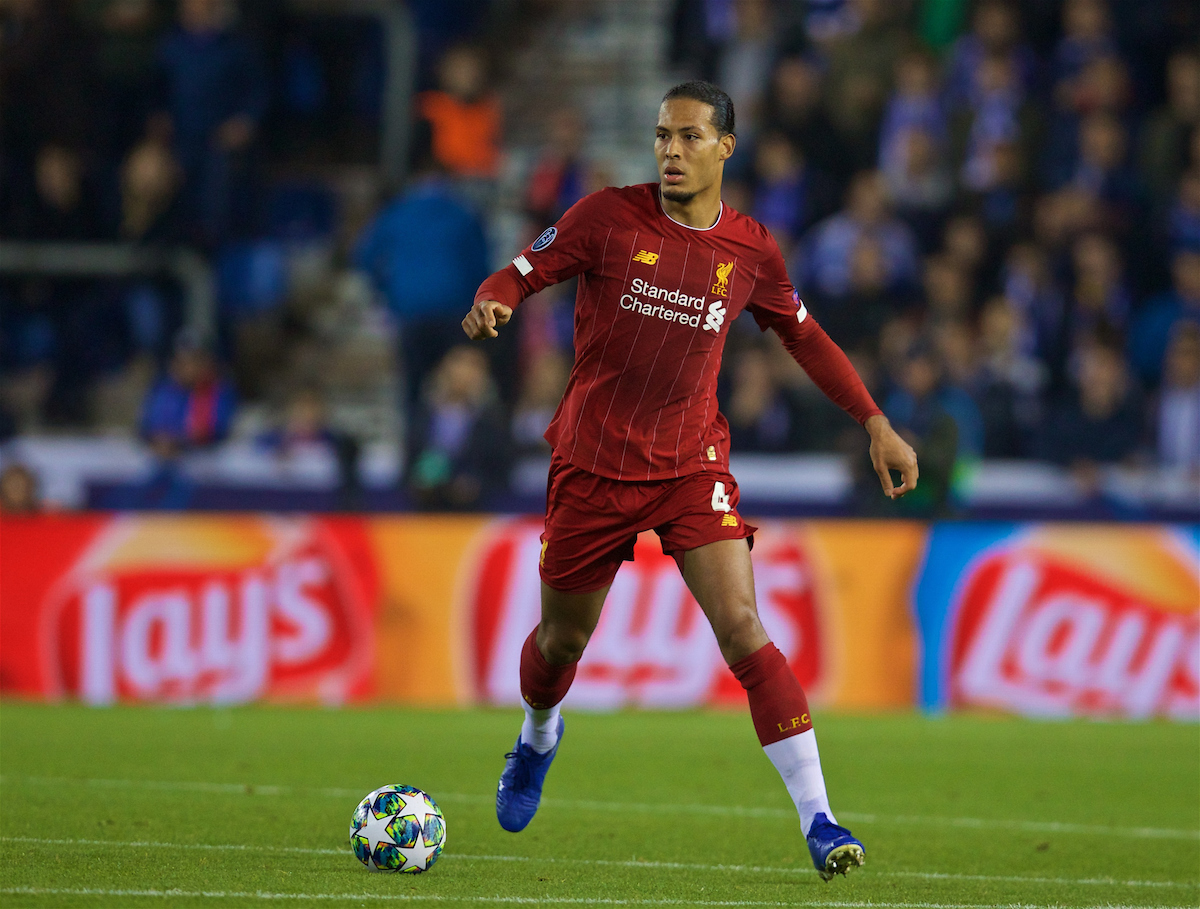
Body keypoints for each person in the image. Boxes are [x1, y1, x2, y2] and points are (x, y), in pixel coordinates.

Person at [461, 81, 918, 880]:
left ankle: (820, 817)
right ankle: (537, 735)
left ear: (724, 148)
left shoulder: (751, 250)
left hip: (690, 464)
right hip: (593, 462)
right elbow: (518, 273)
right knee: (562, 640)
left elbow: (804, 337)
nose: (670, 150)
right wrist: (493, 300)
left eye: (688, 137)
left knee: (744, 626)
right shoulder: (605, 217)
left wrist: (875, 420)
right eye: (662, 136)